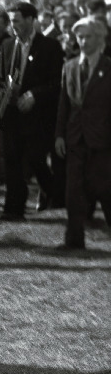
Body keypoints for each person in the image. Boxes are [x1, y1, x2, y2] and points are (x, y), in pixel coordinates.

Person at [0, 1, 64, 219]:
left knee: (35, 159)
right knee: (12, 160)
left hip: (38, 116)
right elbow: (0, 76)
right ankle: (13, 209)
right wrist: (2, 91)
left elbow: (56, 82)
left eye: (16, 20)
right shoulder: (7, 46)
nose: (13, 25)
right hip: (12, 113)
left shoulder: (50, 47)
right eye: (11, 21)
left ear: (30, 20)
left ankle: (56, 194)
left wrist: (34, 95)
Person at [55, 18, 111, 250]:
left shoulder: (109, 67)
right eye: (80, 37)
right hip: (75, 138)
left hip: (103, 140)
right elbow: (63, 105)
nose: (84, 41)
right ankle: (74, 240)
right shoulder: (69, 66)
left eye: (89, 37)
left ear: (100, 40)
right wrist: (59, 134)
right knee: (73, 192)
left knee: (106, 191)